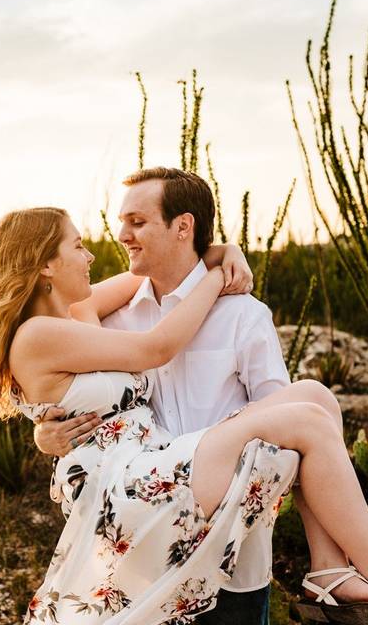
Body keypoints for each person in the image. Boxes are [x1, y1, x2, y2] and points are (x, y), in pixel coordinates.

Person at [0, 194, 368, 624]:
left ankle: (328, 568)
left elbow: (161, 269)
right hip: (122, 484)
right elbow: (155, 349)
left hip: (149, 461)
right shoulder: (39, 334)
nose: (91, 255)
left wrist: (221, 252)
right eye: (77, 246)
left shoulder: (80, 312)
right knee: (306, 418)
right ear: (44, 264)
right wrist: (217, 279)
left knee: (317, 396)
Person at [35, 167, 291, 624]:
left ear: (183, 226)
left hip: (231, 558)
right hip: (138, 561)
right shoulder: (109, 323)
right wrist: (45, 434)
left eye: (136, 221)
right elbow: (66, 395)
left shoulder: (244, 317)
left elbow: (285, 425)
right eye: (122, 221)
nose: (122, 235)